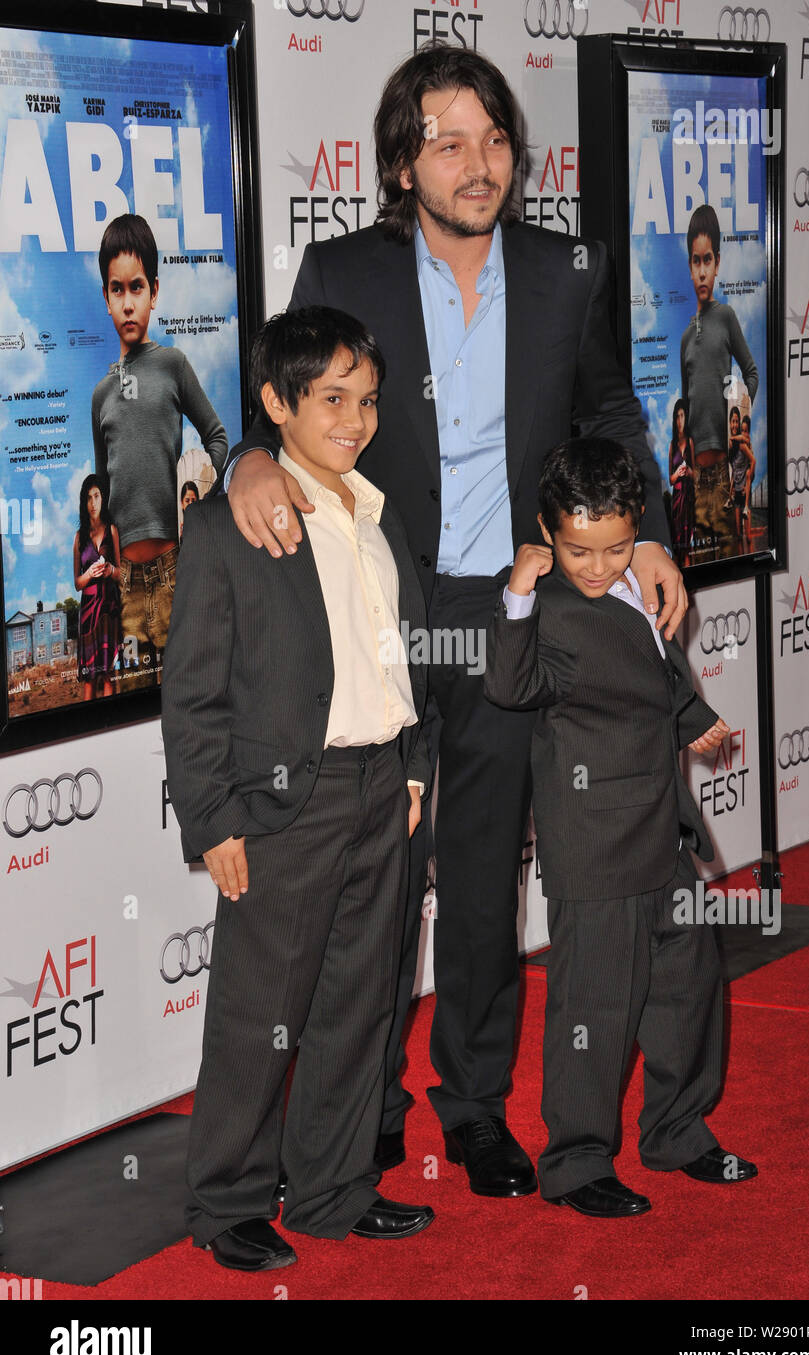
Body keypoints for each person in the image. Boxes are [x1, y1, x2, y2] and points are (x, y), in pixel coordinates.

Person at [219, 44, 686, 1199]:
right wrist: (243, 463)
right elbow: (277, 396)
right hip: (376, 605)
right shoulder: (343, 268)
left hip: (501, 615)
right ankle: (359, 1108)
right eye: (447, 141)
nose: (478, 166)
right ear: (399, 160)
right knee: (367, 874)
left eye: (493, 140)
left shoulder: (565, 268)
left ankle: (472, 1105)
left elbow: (611, 408)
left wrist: (659, 532)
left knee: (479, 874)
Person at [161, 306, 434, 1273]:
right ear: (276, 403)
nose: (355, 421)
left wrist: (410, 767)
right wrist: (212, 818)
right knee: (258, 1010)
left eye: (366, 401)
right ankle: (229, 1200)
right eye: (330, 400)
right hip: (285, 804)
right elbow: (193, 691)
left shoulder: (378, 511)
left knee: (362, 1007)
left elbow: (406, 659)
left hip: (377, 787)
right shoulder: (229, 524)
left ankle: (331, 1189)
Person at [484, 437, 757, 1217]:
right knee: (593, 1008)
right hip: (595, 843)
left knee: (689, 987)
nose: (597, 567)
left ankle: (677, 1131)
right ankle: (574, 1164)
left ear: (635, 526)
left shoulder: (639, 577)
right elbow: (509, 687)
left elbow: (656, 675)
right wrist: (519, 593)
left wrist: (694, 719)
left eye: (612, 548)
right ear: (547, 530)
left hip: (661, 827)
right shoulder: (549, 606)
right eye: (576, 551)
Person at [92, 214, 228, 679]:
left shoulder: (173, 365)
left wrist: (199, 489)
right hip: (126, 586)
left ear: (154, 290)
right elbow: (104, 489)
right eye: (117, 289)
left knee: (188, 703)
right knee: (133, 712)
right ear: (106, 298)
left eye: (137, 288)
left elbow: (217, 437)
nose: (128, 303)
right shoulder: (101, 394)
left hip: (175, 573)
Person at [679, 204, 758, 564]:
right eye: (695, 261)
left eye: (707, 260)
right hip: (697, 482)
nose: (701, 271)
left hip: (725, 477)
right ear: (689, 265)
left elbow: (751, 372)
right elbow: (685, 407)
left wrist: (739, 423)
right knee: (699, 578)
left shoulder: (725, 317)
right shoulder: (683, 339)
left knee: (730, 569)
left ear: (718, 262)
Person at [73, 474, 122, 699]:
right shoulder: (79, 538)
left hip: (109, 611)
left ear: (103, 498)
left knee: (108, 674)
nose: (93, 503)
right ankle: (87, 724)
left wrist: (110, 569)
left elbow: (121, 575)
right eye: (89, 498)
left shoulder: (112, 531)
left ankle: (110, 723)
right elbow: (77, 583)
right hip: (88, 614)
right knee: (89, 678)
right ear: (84, 502)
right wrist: (89, 574)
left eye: (97, 496)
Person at [668, 398, 695, 567]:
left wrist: (689, 471)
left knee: (688, 543)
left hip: (689, 498)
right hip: (677, 498)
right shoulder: (672, 445)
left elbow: (696, 475)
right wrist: (677, 473)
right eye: (677, 416)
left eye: (682, 416)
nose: (680, 420)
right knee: (676, 544)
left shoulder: (691, 442)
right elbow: (670, 480)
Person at [726, 408, 755, 554]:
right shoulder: (732, 447)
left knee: (748, 537)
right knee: (738, 536)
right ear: (730, 423)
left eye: (737, 421)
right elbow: (734, 472)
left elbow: (752, 463)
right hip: (736, 494)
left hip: (745, 493)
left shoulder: (743, 443)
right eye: (733, 421)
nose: (735, 425)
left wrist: (749, 477)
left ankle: (754, 568)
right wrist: (730, 493)